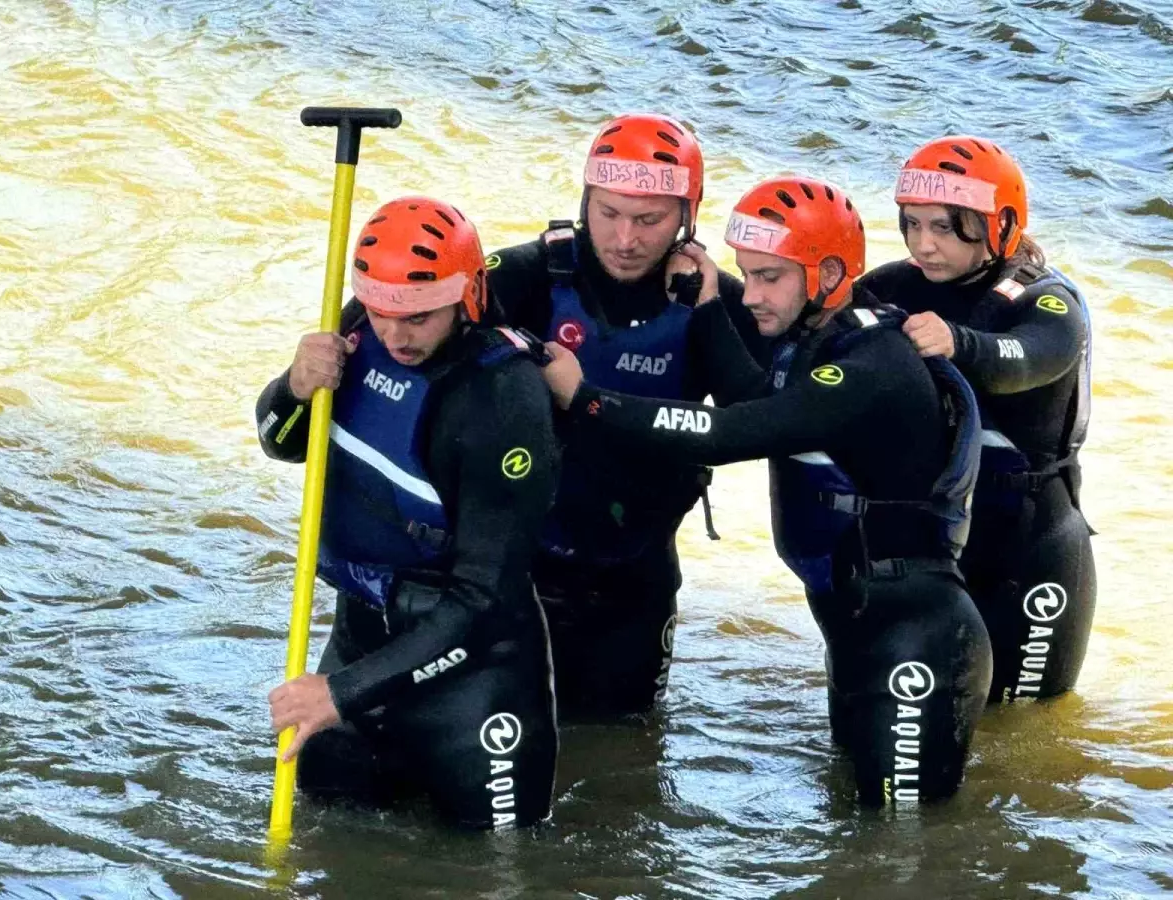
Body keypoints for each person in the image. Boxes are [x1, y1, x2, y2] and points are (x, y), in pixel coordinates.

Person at [540, 177, 993, 805]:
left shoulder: (871, 364)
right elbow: (753, 399)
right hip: (859, 628)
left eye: (769, 277)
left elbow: (727, 432)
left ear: (829, 273)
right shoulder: (819, 341)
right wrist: (705, 309)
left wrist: (586, 399)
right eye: (745, 275)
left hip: (916, 640)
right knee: (859, 840)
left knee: (906, 849)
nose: (749, 296)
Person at [254, 196, 559, 830]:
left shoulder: (505, 397)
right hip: (363, 639)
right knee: (334, 847)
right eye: (383, 312)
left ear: (468, 294)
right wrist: (295, 386)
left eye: (419, 317)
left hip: (473, 684)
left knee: (501, 873)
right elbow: (280, 440)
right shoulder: (360, 329)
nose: (396, 336)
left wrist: (337, 693)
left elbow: (483, 601)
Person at [486, 113, 769, 714]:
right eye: (608, 213)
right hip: (519, 567)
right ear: (585, 200)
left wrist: (712, 312)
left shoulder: (716, 299)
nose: (624, 238)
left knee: (628, 770)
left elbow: (765, 420)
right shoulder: (527, 276)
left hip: (637, 572)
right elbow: (400, 312)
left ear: (687, 217)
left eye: (649, 220)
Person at [860, 136, 1095, 703]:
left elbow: (1029, 361)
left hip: (1030, 541)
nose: (925, 245)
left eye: (944, 227)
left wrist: (957, 342)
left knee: (1024, 736)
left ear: (1001, 224)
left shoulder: (1048, 302)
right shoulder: (895, 285)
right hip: (936, 537)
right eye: (912, 225)